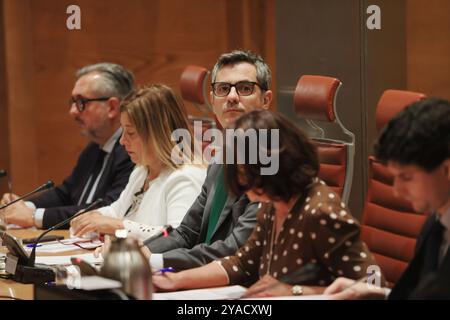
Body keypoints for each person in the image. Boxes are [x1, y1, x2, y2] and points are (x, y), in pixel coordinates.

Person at [152, 110, 381, 297]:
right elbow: (241, 264)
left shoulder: (319, 211)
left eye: (244, 171)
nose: (240, 182)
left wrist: (295, 291)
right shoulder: (272, 206)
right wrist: (175, 280)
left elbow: (372, 283)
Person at [142, 50, 274, 270]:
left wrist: (154, 261)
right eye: (223, 89)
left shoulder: (273, 163)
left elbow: (237, 248)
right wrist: (141, 251)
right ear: (213, 100)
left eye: (244, 88)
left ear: (266, 100)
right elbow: (187, 233)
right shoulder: (220, 159)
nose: (232, 97)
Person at [324, 97, 450, 299]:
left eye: (406, 177)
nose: (397, 191)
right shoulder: (436, 225)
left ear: (446, 169)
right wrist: (380, 294)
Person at [0, 63, 134, 229]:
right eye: (72, 102)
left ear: (112, 107)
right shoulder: (93, 150)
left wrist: (34, 217)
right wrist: (23, 206)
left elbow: (107, 208)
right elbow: (65, 193)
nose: (72, 111)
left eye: (81, 102)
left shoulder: (132, 152)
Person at [70, 85, 206, 240]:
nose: (122, 141)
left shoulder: (186, 177)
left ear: (159, 133)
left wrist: (117, 225)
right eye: (123, 132)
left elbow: (178, 236)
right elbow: (117, 211)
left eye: (131, 133)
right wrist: (92, 217)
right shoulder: (142, 170)